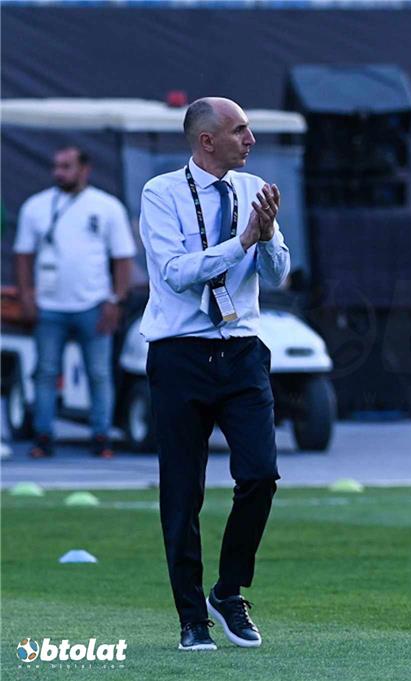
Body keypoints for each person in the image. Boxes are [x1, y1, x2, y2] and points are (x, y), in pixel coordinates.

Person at [138, 97, 290, 652]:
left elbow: (278, 273)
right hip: (180, 353)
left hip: (242, 349)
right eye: (240, 130)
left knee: (261, 474)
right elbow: (176, 274)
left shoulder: (254, 190)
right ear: (207, 140)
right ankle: (190, 616)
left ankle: (228, 591)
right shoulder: (161, 193)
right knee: (183, 491)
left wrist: (266, 237)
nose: (251, 140)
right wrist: (242, 240)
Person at [13, 147, 137, 459]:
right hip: (49, 305)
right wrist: (26, 294)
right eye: (56, 166)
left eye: (66, 166)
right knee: (45, 371)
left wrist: (116, 299)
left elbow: (123, 257)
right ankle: (43, 436)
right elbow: (23, 254)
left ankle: (101, 437)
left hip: (93, 303)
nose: (59, 172)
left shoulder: (106, 207)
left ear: (85, 169)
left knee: (98, 373)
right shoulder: (36, 206)